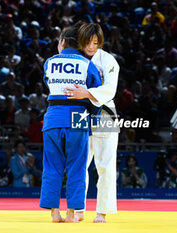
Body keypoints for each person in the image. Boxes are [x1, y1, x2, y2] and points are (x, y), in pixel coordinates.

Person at [39, 26, 102, 223]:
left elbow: (49, 84)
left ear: (63, 42)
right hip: (78, 117)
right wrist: (93, 120)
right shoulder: (87, 64)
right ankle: (73, 213)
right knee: (77, 166)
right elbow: (96, 97)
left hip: (53, 118)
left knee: (52, 166)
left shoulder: (49, 63)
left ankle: (54, 212)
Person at [65, 23, 120, 223]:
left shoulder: (108, 60)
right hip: (80, 114)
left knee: (105, 165)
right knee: (79, 163)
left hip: (104, 113)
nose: (91, 47)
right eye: (87, 42)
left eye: (95, 43)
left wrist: (87, 93)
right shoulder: (75, 60)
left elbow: (110, 89)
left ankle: (102, 212)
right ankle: (78, 208)